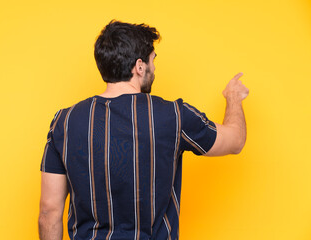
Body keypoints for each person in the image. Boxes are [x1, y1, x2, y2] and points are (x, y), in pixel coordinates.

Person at [38, 20, 249, 240]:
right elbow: (235, 140)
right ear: (139, 67)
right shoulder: (174, 116)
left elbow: (49, 212)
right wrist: (233, 98)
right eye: (152, 60)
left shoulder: (64, 121)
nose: (154, 68)